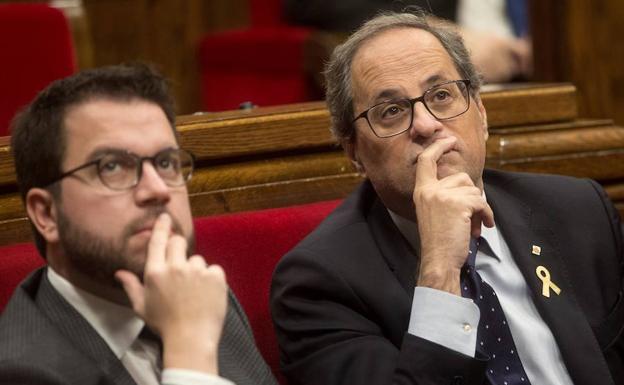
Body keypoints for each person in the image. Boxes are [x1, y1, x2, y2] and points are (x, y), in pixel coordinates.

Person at [271, 11, 624, 385]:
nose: (425, 125)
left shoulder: (578, 210)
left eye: (441, 95)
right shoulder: (318, 285)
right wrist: (440, 269)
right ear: (353, 152)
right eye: (391, 111)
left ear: (482, 114)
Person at [0, 64, 277, 385]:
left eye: (165, 163)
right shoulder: (20, 372)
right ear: (46, 214)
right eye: (113, 166)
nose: (158, 189)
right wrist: (189, 351)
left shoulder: (199, 297)